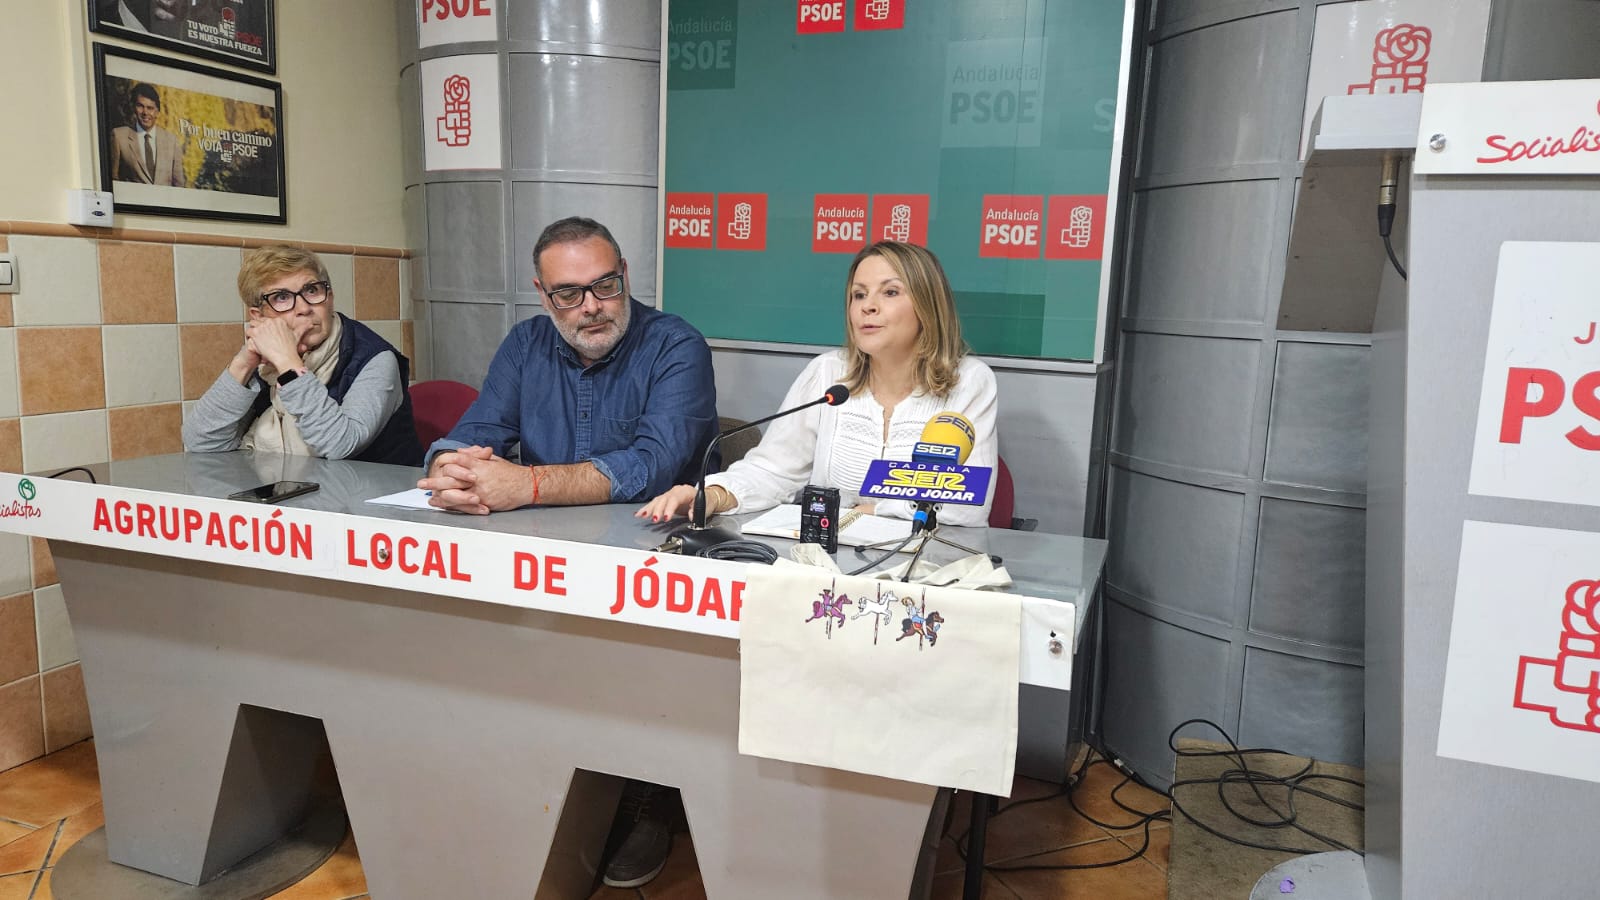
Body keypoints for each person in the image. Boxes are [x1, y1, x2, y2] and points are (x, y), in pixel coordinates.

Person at [639, 240, 998, 527]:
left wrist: (871, 511)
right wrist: (712, 494)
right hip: (833, 568)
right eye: (859, 294)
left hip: (928, 574)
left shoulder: (969, 382)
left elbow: (967, 509)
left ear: (928, 306)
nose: (867, 307)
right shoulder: (828, 375)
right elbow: (773, 470)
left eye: (890, 292)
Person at [417, 216, 718, 513]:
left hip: (651, 538)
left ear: (624, 275)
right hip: (542, 538)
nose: (591, 307)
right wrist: (448, 468)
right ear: (543, 296)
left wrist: (529, 484)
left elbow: (652, 465)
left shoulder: (676, 346)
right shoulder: (526, 343)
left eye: (604, 285)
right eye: (569, 294)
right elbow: (476, 432)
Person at [183, 245, 420, 466]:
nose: (304, 308)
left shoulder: (376, 358)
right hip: (284, 495)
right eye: (282, 297)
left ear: (330, 297)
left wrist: (289, 365)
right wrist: (245, 361)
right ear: (259, 316)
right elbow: (201, 442)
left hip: (365, 502)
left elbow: (341, 446)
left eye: (312, 290)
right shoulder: (266, 364)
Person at [109, 82, 185, 187]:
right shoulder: (119, 136)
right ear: (134, 107)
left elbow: (179, 184)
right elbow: (113, 179)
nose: (145, 112)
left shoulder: (171, 141)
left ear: (157, 112)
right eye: (140, 106)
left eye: (150, 108)